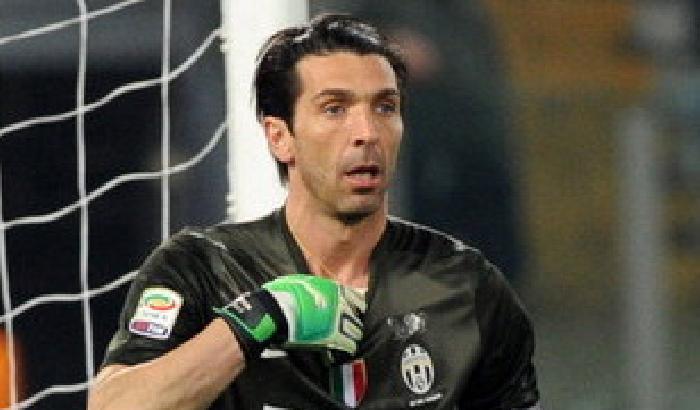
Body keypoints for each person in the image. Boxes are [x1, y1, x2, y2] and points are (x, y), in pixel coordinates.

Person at [88, 13, 540, 410]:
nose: (366, 132)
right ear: (280, 137)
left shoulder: (465, 284)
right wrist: (258, 318)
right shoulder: (203, 268)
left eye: (385, 107)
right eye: (334, 109)